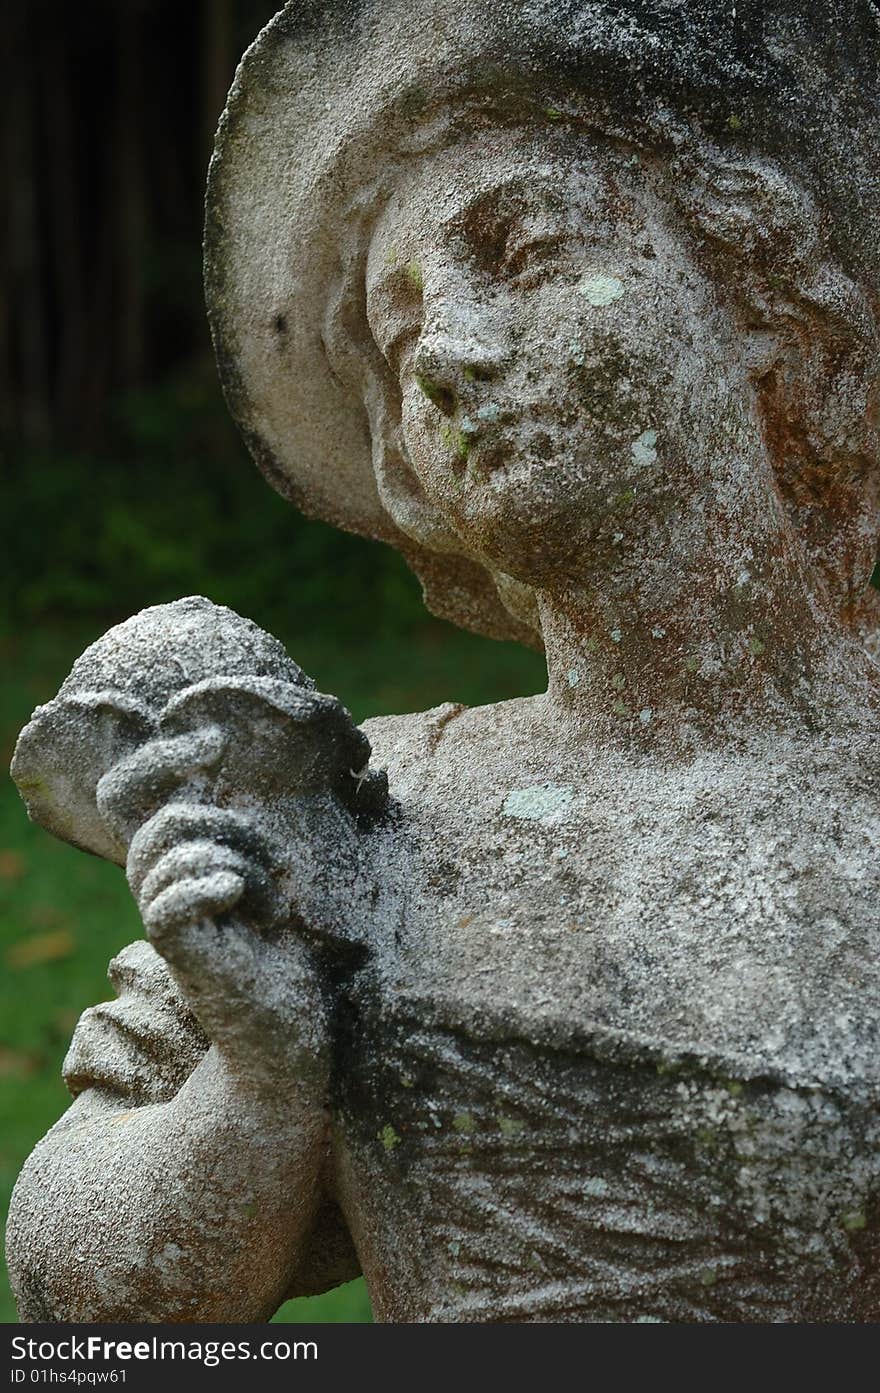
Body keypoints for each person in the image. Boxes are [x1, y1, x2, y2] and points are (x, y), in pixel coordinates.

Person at [8, 0, 880, 1321]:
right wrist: (264, 1081)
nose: (450, 361)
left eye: (520, 251)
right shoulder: (348, 816)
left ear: (752, 282)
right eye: (400, 333)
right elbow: (78, 1301)